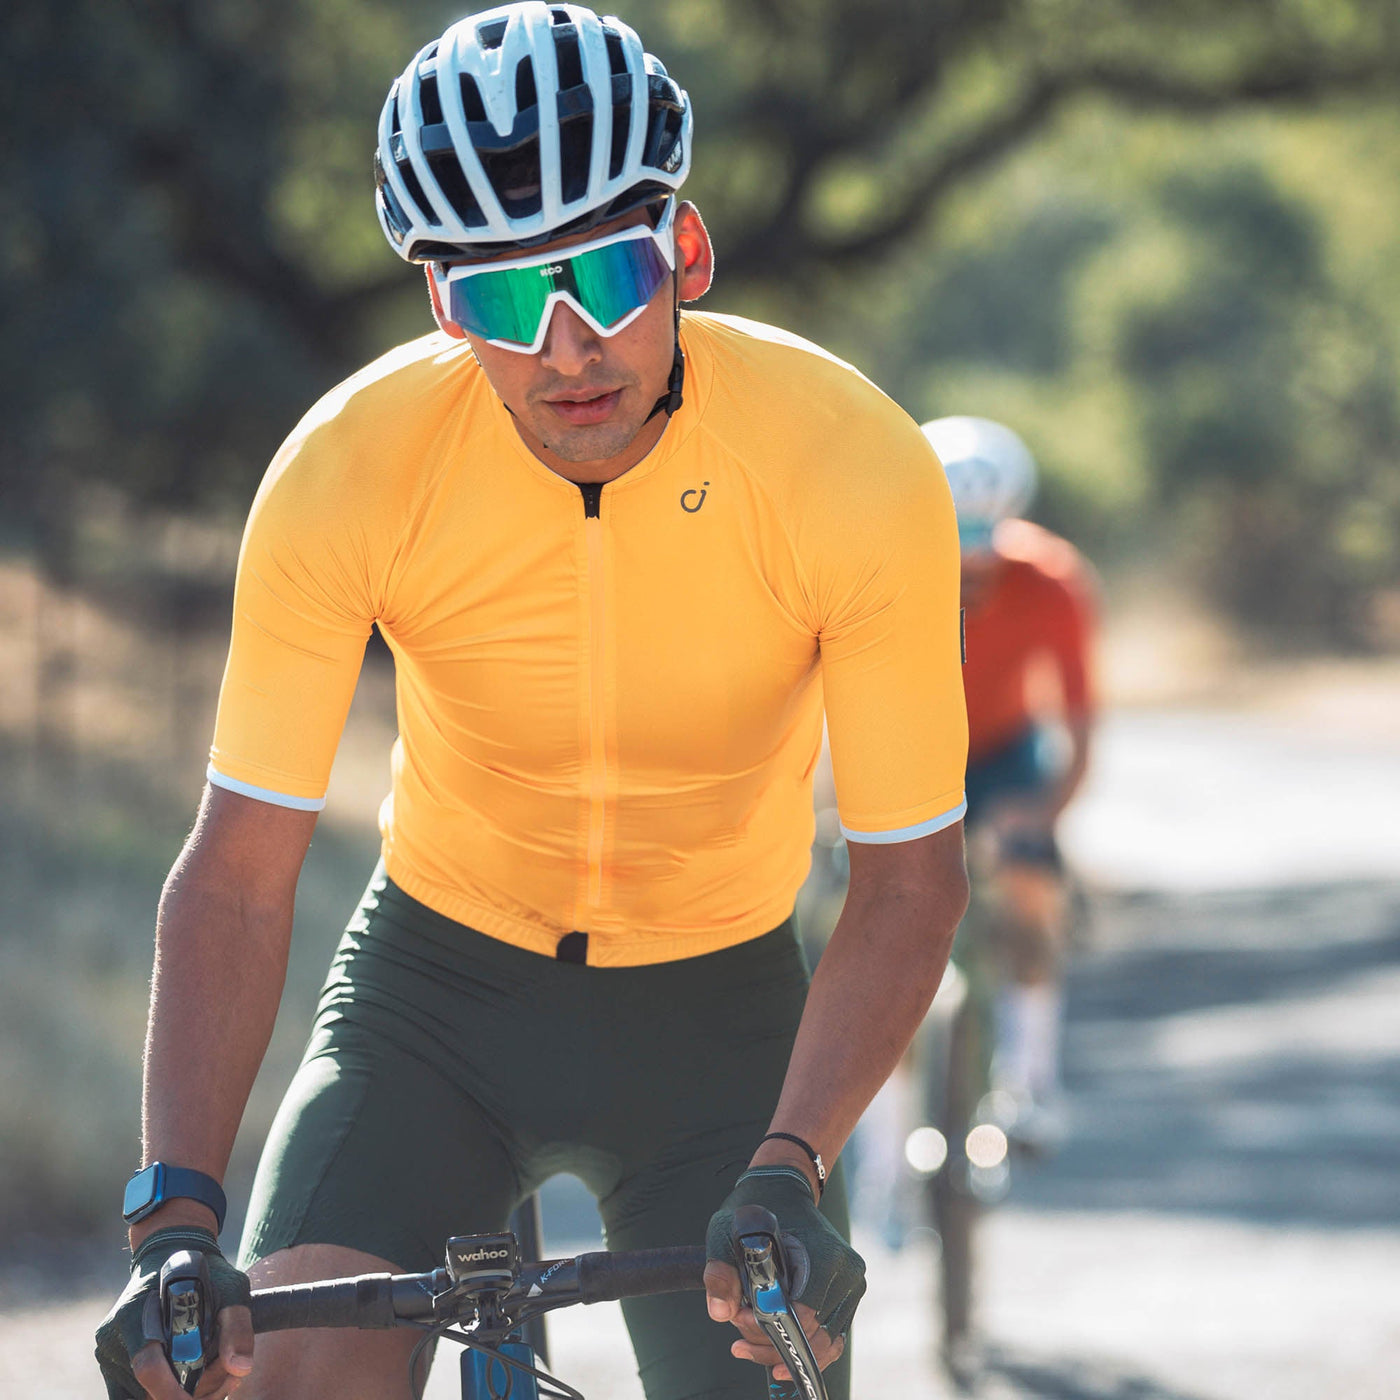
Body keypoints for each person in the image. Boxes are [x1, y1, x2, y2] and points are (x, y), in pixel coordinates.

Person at [95, 7, 971, 1398]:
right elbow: (240, 872)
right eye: (505, 303)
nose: (569, 350)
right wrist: (173, 1221)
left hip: (721, 1027)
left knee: (776, 1358)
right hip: (431, 1005)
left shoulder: (849, 464)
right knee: (271, 1377)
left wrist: (791, 1161)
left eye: (609, 277)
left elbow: (910, 880)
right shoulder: (348, 467)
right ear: (444, 310)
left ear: (686, 253)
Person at [920, 415, 1099, 1151]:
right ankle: (882, 1160)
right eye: (956, 548)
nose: (971, 569)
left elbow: (1080, 725)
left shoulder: (1052, 580)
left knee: (1028, 880)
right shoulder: (889, 565)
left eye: (984, 550)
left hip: (1003, 748)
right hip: (913, 744)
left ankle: (1031, 1079)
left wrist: (1044, 816)